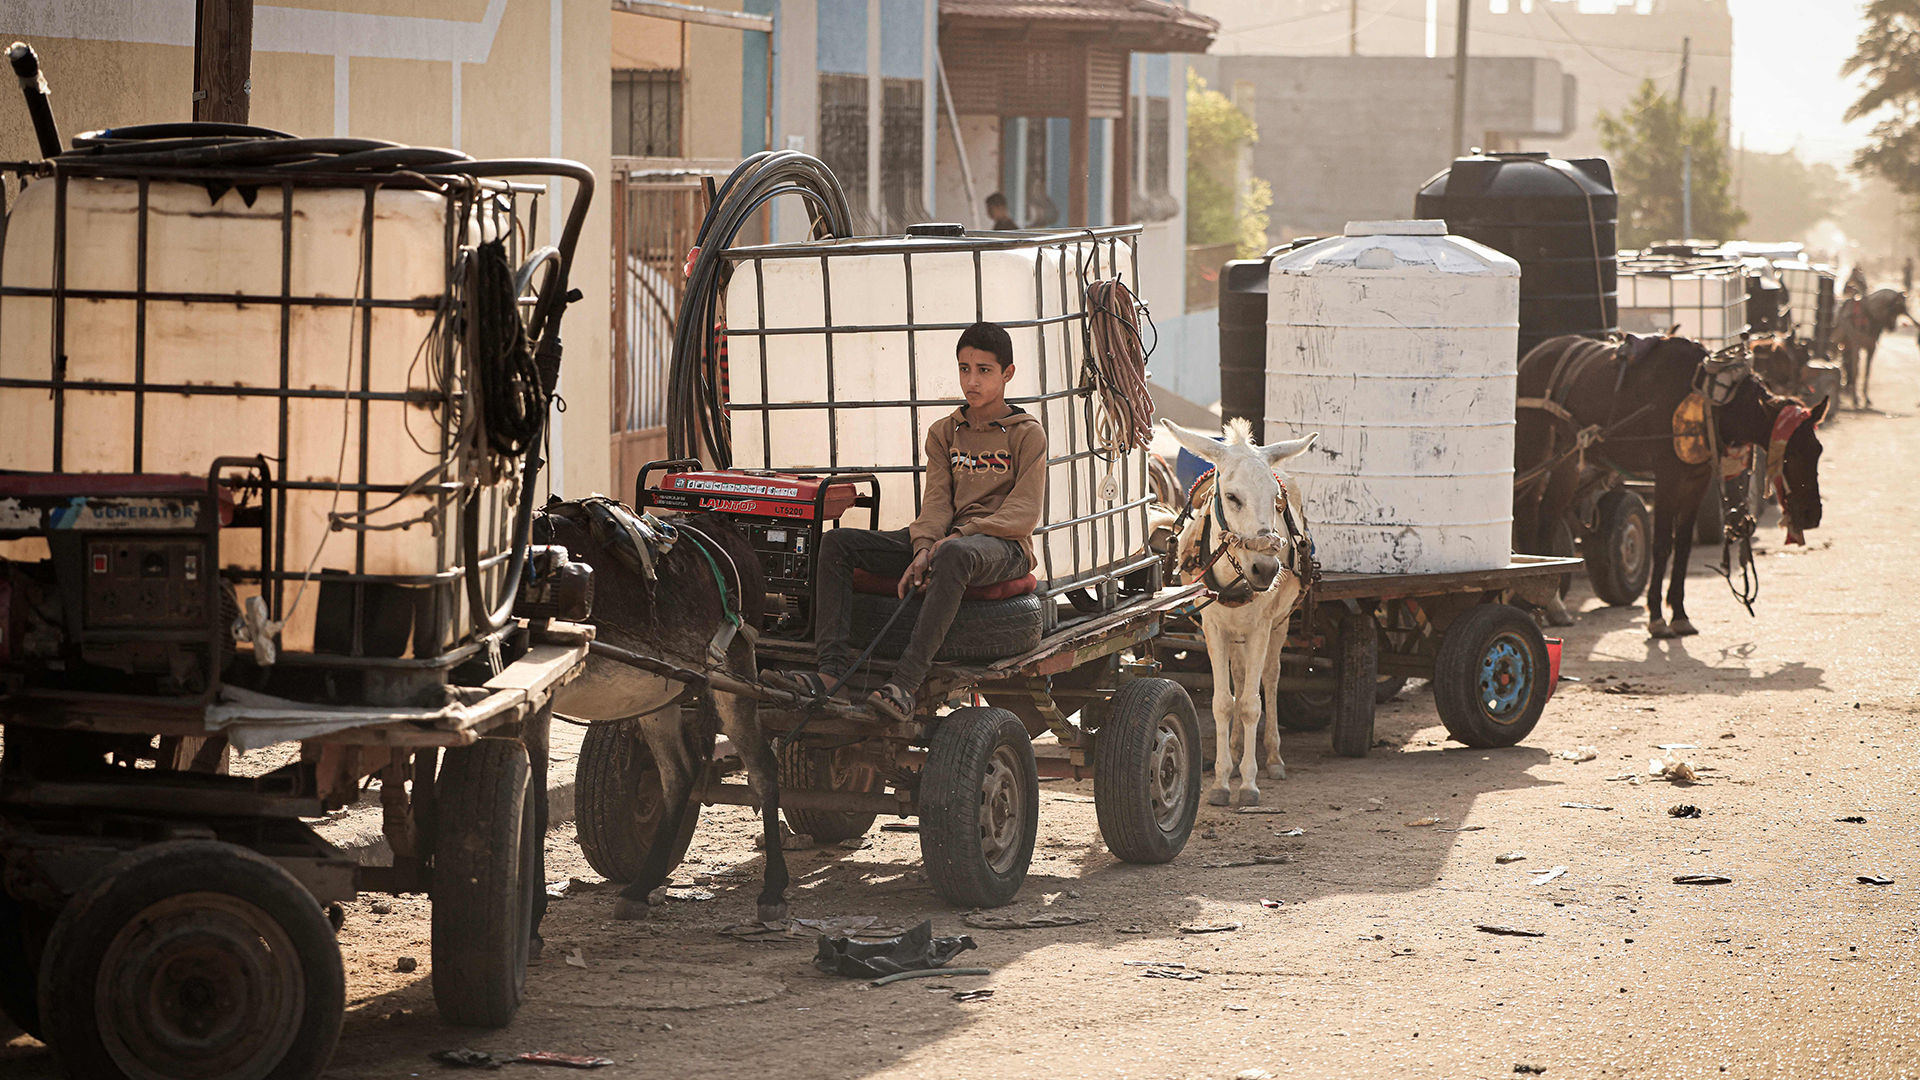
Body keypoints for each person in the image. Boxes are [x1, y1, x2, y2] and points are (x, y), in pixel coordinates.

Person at [772, 321, 1046, 721]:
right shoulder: (944, 432)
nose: (971, 380)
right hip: (946, 539)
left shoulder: (1027, 434)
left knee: (954, 553)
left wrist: (955, 538)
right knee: (837, 545)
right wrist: (921, 549)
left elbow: (1023, 514)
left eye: (984, 370)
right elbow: (935, 503)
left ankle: (905, 683)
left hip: (1003, 545)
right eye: (964, 368)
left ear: (1008, 374)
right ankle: (830, 673)